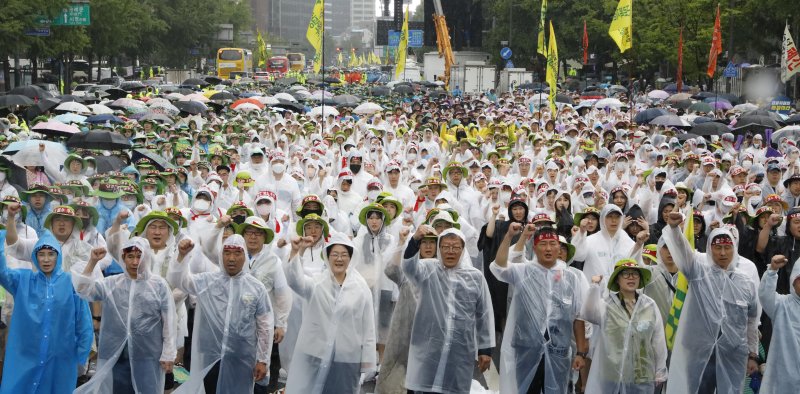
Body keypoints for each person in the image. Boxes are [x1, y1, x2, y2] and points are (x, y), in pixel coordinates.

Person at [662, 210, 759, 394]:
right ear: (709, 249)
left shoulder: (746, 282)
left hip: (733, 352)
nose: (723, 253)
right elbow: (683, 253)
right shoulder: (699, 272)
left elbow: (752, 320)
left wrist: (753, 354)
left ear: (734, 248)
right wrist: (674, 229)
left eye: (727, 247)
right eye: (717, 247)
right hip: (700, 352)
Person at [491, 223, 589, 394]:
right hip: (527, 347)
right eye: (543, 244)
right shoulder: (523, 271)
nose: (548, 249)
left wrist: (581, 352)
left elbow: (579, 317)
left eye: (553, 244)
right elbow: (499, 266)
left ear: (560, 249)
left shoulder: (572, 278)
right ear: (535, 249)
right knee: (527, 390)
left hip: (559, 349)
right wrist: (509, 236)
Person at [168, 235, 273, 394]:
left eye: (237, 253)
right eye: (227, 253)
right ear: (220, 255)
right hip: (212, 357)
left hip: (243, 358)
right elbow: (178, 279)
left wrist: (263, 360)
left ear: (245, 255)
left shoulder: (256, 288)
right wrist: (181, 256)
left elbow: (265, 326)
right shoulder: (207, 281)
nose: (231, 258)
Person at [72, 237, 177, 394]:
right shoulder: (112, 283)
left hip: (148, 354)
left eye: (139, 256)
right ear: (123, 258)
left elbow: (169, 320)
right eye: (130, 257)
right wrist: (92, 262)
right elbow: (83, 290)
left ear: (146, 257)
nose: (135, 262)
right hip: (117, 354)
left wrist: (168, 352)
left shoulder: (159, 285)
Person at [0, 230, 94, 394]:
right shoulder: (23, 280)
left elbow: (83, 319)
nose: (45, 259)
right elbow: (3, 273)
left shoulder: (70, 282)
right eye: (41, 254)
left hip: (61, 357)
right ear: (35, 256)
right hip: (27, 355)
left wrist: (82, 353)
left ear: (58, 256)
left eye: (51, 254)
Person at [403, 227, 495, 394]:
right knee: (423, 388)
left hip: (459, 353)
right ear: (439, 249)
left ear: (463, 249)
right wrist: (415, 240)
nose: (450, 251)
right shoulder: (428, 269)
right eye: (445, 247)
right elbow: (409, 268)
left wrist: (485, 349)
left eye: (455, 247)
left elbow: (484, 314)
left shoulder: (475, 277)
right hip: (428, 350)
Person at [284, 232, 376, 393]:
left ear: (351, 257)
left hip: (346, 357)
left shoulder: (361, 288)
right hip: (315, 353)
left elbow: (368, 326)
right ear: (327, 257)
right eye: (334, 254)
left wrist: (367, 362)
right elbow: (294, 281)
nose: (339, 259)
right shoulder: (317, 283)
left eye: (344, 255)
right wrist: (297, 251)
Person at [582, 259, 668, 393]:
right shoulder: (606, 305)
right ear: (617, 279)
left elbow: (658, 340)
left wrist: (660, 370)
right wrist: (594, 287)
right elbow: (587, 313)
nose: (631, 277)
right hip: (611, 374)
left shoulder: (649, 305)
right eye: (625, 274)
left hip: (641, 375)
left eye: (635, 274)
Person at [757, 254, 800, 393]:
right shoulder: (782, 305)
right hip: (781, 383)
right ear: (793, 280)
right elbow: (765, 294)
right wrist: (772, 271)